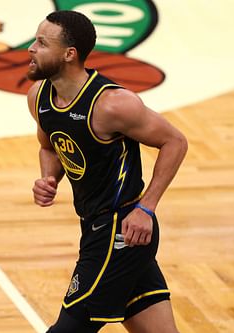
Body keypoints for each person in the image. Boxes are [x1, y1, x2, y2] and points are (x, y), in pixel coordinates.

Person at [26, 10, 188, 333]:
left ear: (69, 54)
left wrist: (146, 207)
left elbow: (175, 142)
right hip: (93, 227)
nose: (31, 48)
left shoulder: (112, 105)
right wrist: (49, 178)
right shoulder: (39, 98)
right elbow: (50, 146)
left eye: (42, 43)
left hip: (121, 230)